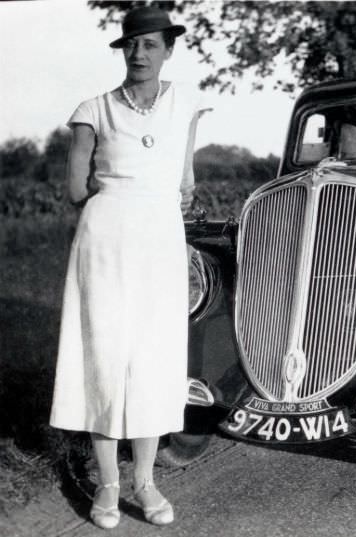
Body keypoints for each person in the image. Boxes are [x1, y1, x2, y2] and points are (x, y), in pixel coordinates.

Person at [49, 6, 208, 529]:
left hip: (161, 242)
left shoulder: (186, 104)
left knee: (152, 360)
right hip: (106, 243)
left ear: (169, 49)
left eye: (151, 45)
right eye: (132, 45)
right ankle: (108, 486)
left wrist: (164, 215)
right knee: (105, 356)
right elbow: (76, 189)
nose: (140, 54)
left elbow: (185, 183)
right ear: (123, 50)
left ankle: (145, 480)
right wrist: (120, 200)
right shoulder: (93, 109)